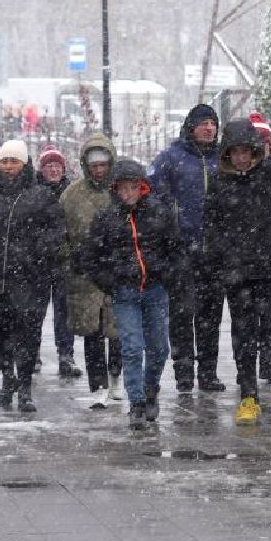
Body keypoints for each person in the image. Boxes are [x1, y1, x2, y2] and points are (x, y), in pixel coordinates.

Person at [203, 117, 271, 425]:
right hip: (237, 273)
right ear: (227, 154)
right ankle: (248, 395)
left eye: (246, 151)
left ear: (254, 149)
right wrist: (226, 255)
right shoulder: (219, 182)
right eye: (235, 152)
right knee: (243, 334)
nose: (241, 157)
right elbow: (212, 226)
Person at [0, 140, 67, 413]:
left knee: (29, 335)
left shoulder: (40, 195)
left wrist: (38, 252)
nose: (9, 167)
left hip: (30, 279)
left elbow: (57, 230)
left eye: (14, 161)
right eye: (5, 161)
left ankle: (25, 388)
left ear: (25, 164)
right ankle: (8, 378)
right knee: (0, 334)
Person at [81, 158, 181, 430]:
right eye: (122, 189)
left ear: (142, 187)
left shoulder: (159, 213)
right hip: (125, 292)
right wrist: (110, 282)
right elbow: (91, 257)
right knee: (132, 347)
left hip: (155, 289)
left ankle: (151, 389)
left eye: (132, 188)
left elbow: (176, 250)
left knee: (159, 347)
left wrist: (166, 273)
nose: (127, 194)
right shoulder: (106, 218)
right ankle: (136, 401)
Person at [148, 104, 223, 393]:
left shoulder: (223, 160)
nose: (209, 128)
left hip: (214, 253)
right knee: (181, 315)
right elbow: (153, 197)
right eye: (203, 123)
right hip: (181, 252)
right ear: (191, 127)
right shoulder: (171, 159)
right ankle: (184, 373)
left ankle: (208, 372)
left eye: (212, 123)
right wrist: (172, 228)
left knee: (211, 315)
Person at [60, 135, 124, 409]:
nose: (99, 170)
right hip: (84, 274)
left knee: (119, 330)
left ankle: (116, 376)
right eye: (94, 165)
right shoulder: (72, 195)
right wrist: (67, 261)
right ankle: (96, 385)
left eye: (104, 164)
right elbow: (60, 233)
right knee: (92, 332)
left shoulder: (123, 190)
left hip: (119, 271)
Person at [36, 147, 81, 381]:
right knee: (35, 311)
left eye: (57, 166)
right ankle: (32, 354)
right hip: (37, 261)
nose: (53, 170)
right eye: (48, 166)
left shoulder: (72, 192)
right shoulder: (33, 191)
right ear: (41, 169)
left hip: (64, 261)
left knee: (64, 311)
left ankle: (66, 355)